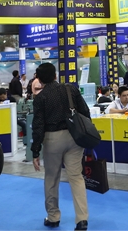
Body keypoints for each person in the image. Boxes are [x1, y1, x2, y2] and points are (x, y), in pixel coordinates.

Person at [31, 62, 90, 230]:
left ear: (39, 79)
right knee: (76, 177)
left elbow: (38, 126)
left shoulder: (40, 98)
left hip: (52, 139)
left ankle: (53, 217)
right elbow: (85, 112)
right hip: (74, 137)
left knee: (52, 178)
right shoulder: (70, 89)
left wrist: (35, 151)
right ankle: (82, 219)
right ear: (55, 75)